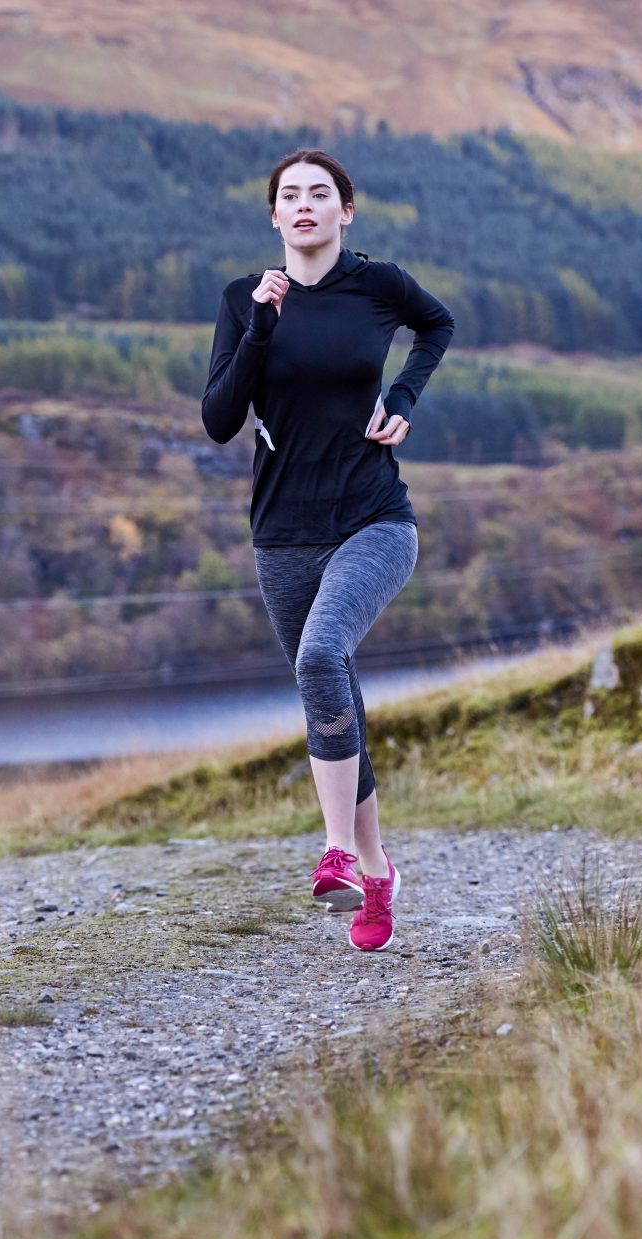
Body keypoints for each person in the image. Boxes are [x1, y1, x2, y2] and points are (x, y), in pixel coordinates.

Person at [200, 147, 454, 952]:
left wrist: (404, 398)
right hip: (281, 535)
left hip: (375, 519)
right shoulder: (245, 299)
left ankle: (336, 851)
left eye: (320, 194)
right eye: (290, 196)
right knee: (331, 687)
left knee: (319, 661)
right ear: (273, 216)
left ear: (347, 211)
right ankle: (376, 871)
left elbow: (437, 324)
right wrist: (260, 328)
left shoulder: (378, 286)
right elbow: (218, 417)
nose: (304, 205)